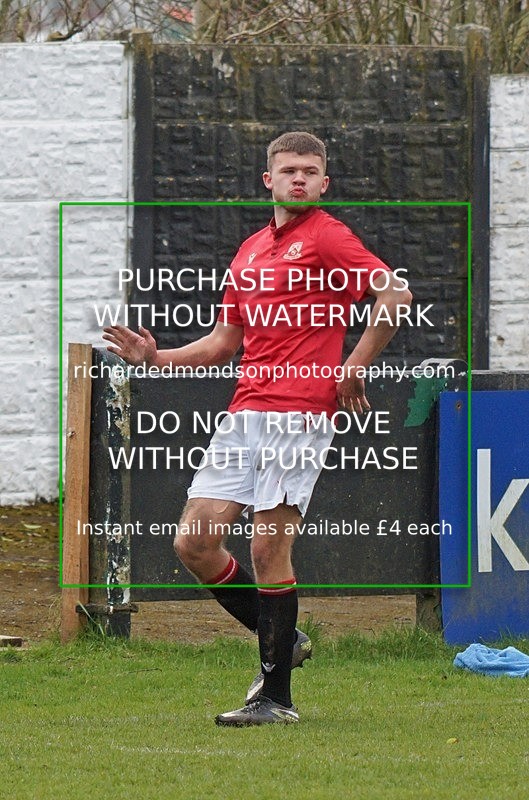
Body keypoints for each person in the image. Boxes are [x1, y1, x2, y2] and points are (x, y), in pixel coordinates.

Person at [103, 131, 412, 726]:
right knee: (193, 542)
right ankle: (283, 642)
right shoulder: (248, 251)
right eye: (289, 170)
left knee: (268, 545)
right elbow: (224, 343)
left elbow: (395, 296)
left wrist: (353, 367)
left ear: (325, 183)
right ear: (267, 180)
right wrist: (154, 359)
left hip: (299, 413)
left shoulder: (327, 236)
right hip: (245, 412)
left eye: (311, 171)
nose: (300, 179)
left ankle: (277, 699)